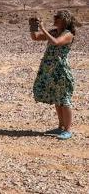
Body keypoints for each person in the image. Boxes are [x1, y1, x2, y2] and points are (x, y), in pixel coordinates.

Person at [30, 10, 77, 140]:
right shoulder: (54, 32)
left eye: (57, 17)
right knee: (58, 99)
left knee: (64, 99)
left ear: (65, 20)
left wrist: (43, 28)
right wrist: (33, 26)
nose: (54, 19)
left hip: (60, 70)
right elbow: (35, 37)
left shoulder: (68, 34)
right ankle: (61, 127)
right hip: (50, 69)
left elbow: (56, 42)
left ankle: (67, 129)